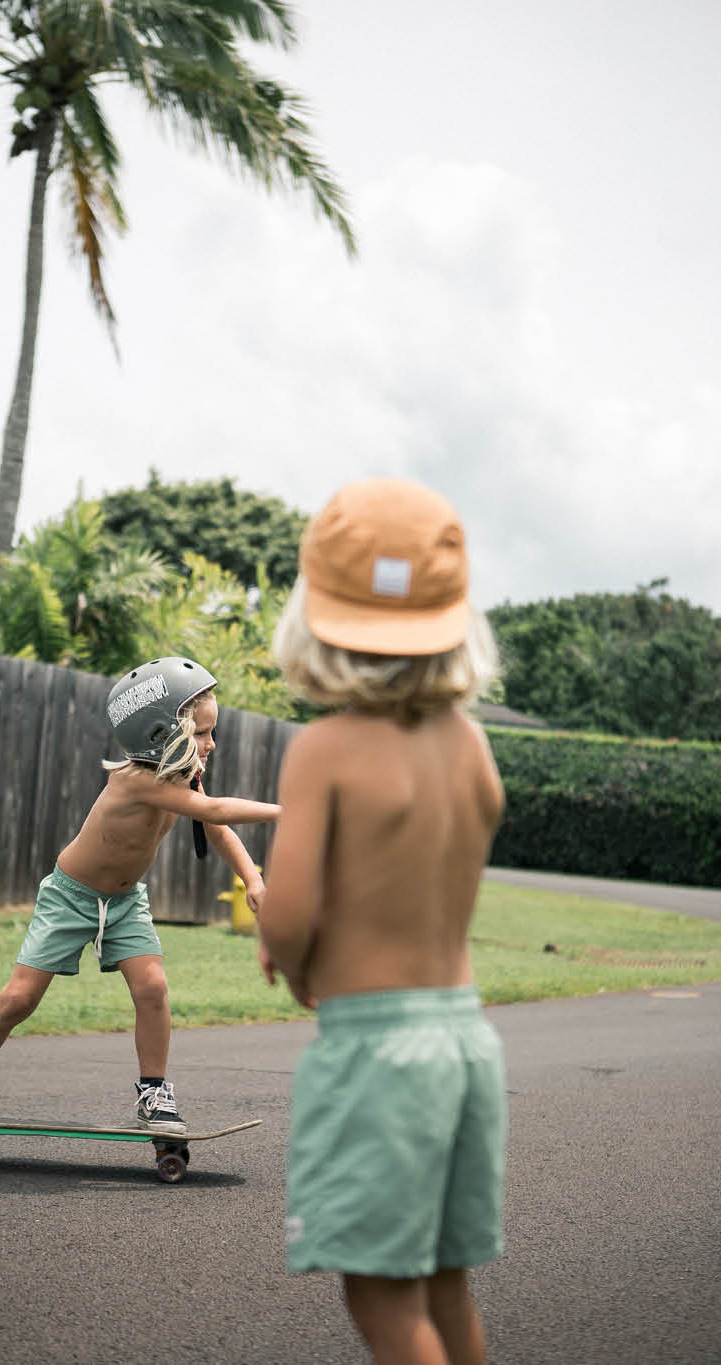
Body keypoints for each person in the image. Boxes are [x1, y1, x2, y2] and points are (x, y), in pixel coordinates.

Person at [259, 478, 506, 1364]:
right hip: (463, 1040)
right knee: (446, 1280)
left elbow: (289, 911)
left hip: (377, 1049)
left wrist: (283, 956)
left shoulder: (324, 747)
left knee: (381, 1298)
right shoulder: (470, 743)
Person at [0, 656, 280, 1132]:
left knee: (153, 988)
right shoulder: (137, 780)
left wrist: (253, 879)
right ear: (162, 733)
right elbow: (218, 808)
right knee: (19, 998)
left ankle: (154, 1094)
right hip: (70, 896)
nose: (211, 742)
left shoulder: (183, 777)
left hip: (124, 903)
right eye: (201, 733)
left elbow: (215, 825)